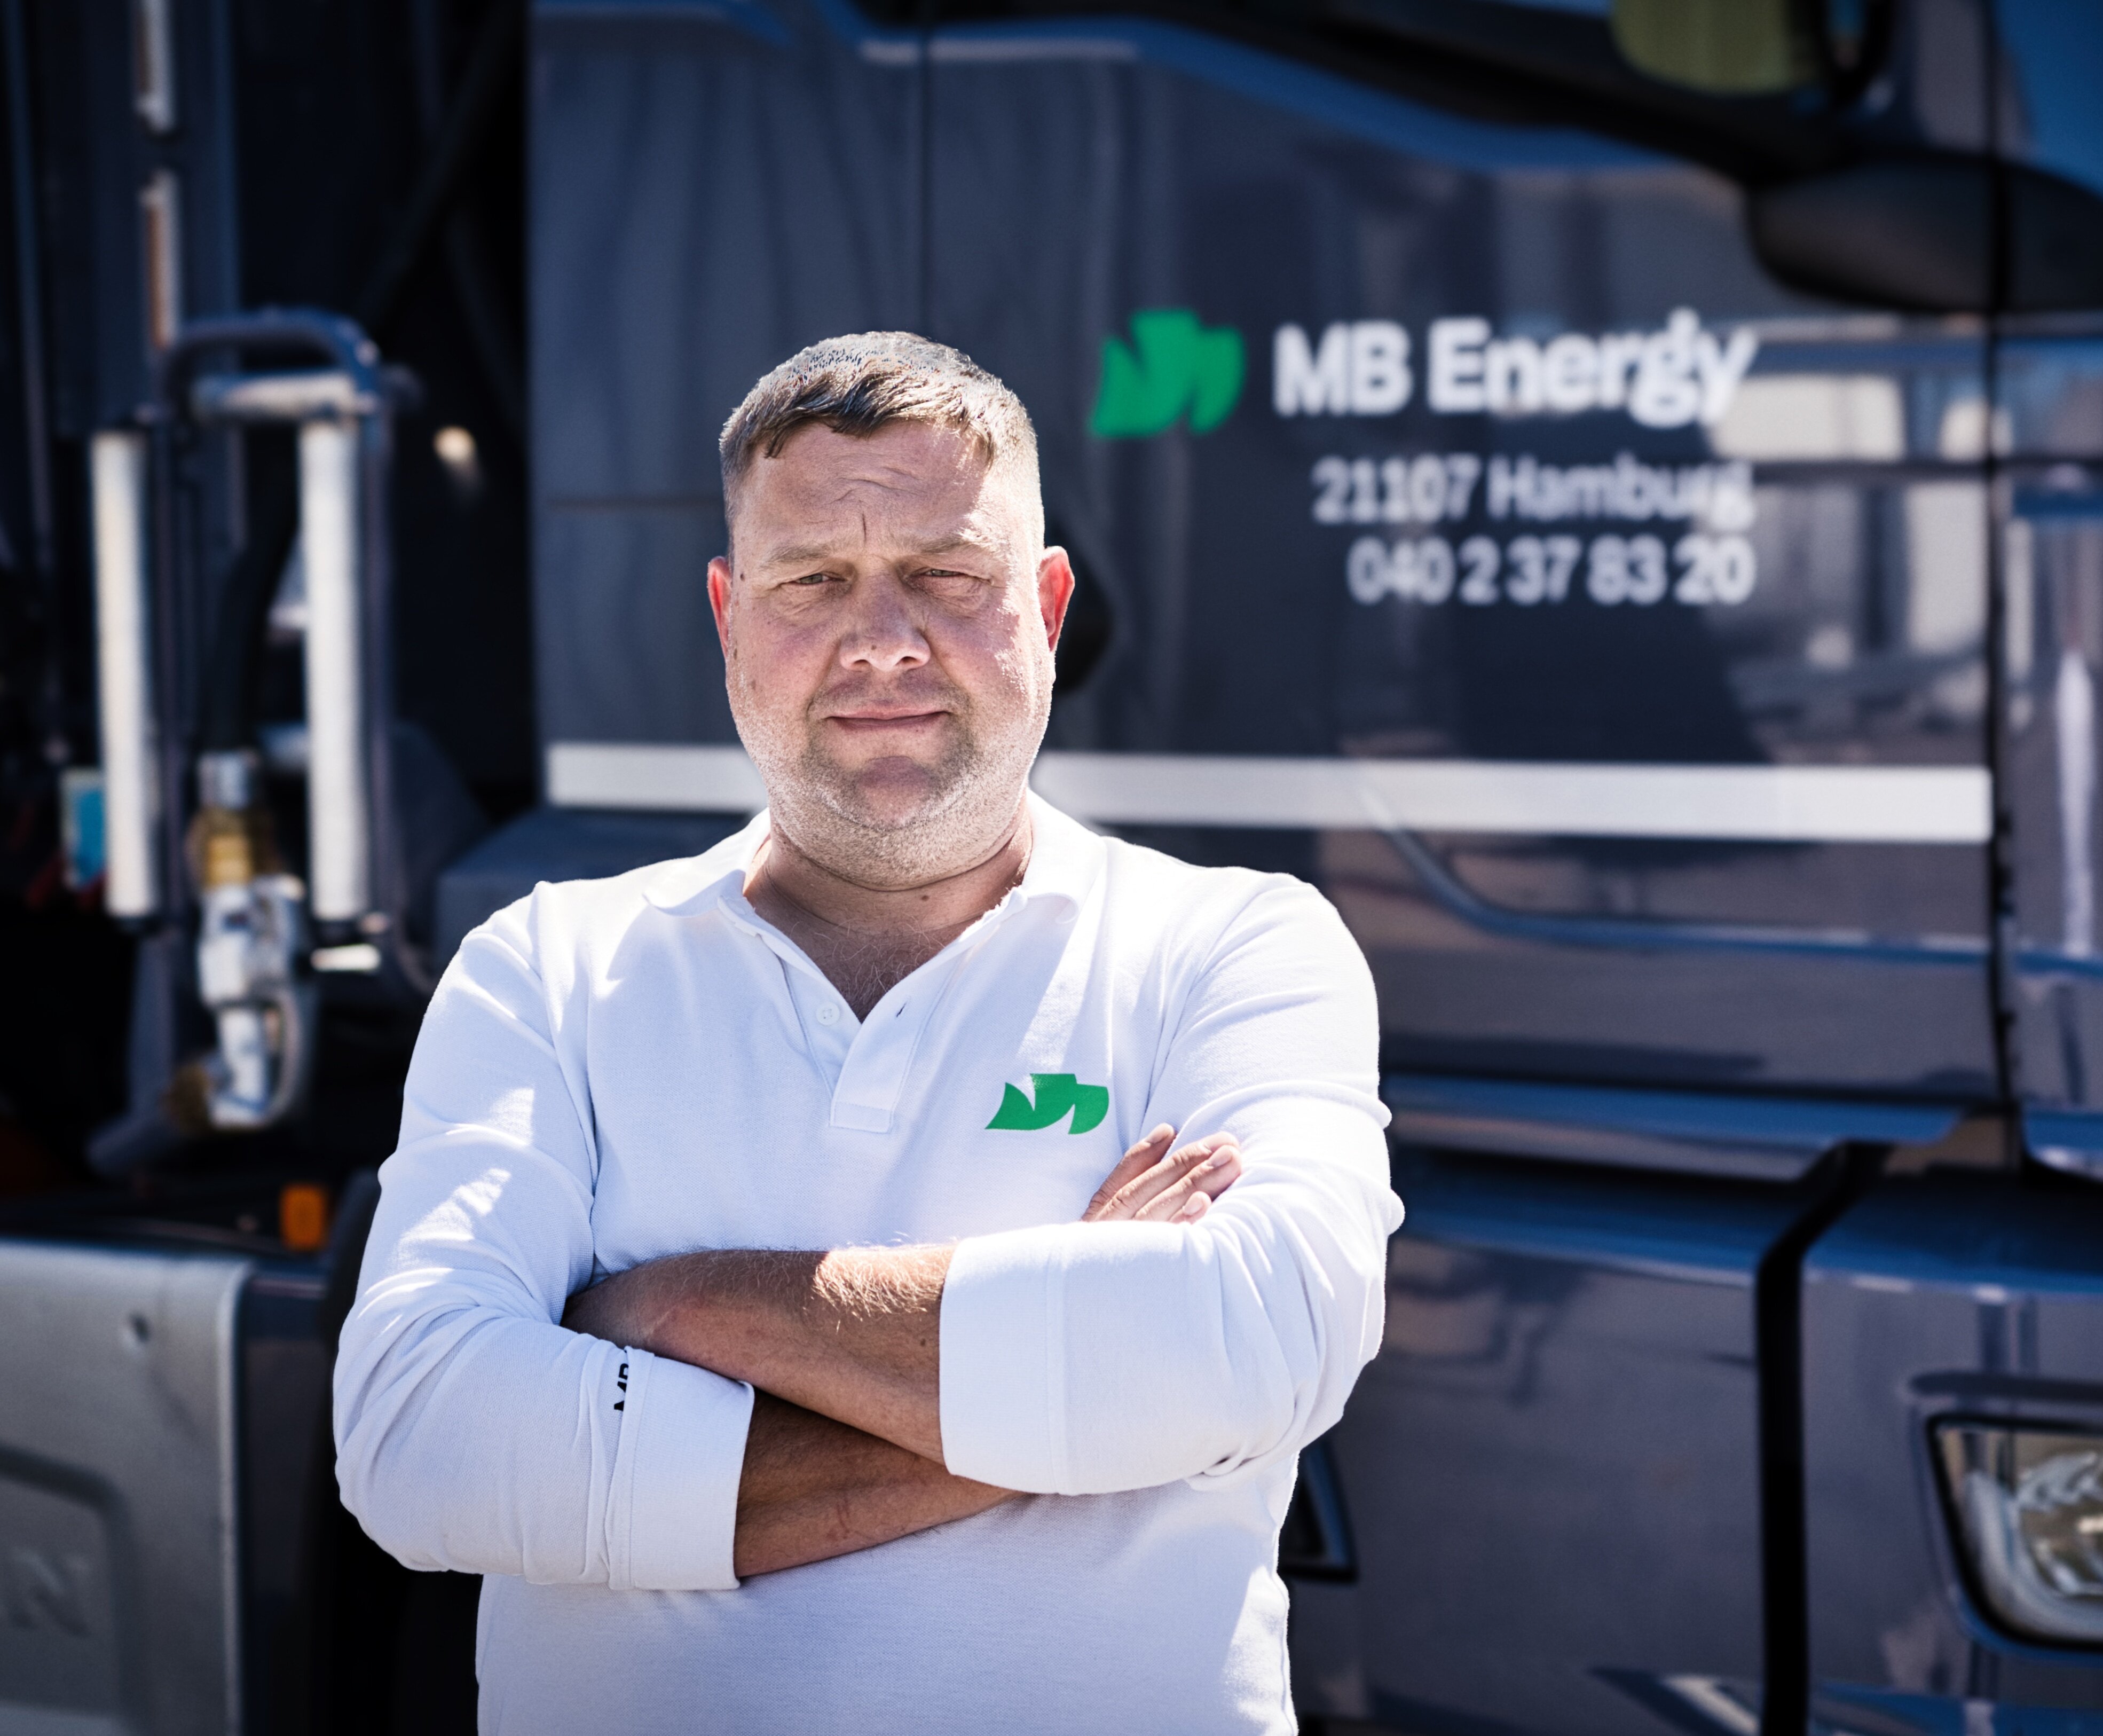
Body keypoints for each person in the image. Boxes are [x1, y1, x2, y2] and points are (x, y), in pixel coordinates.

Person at [333, 333, 1400, 1734]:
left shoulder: (1232, 945)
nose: (883, 639)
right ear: (729, 616)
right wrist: (1093, 1387)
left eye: (947, 575)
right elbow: (421, 1442)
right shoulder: (550, 968)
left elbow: (1261, 1340)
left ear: (1048, 601)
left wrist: (672, 1308)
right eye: (813, 580)